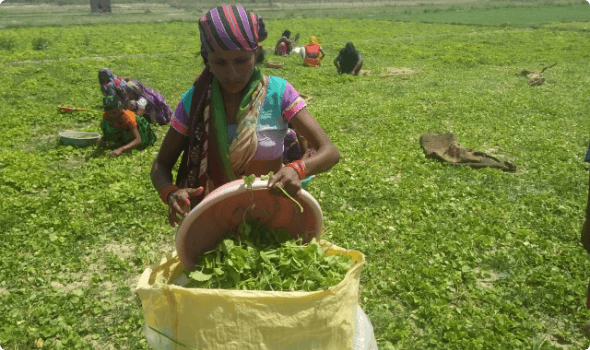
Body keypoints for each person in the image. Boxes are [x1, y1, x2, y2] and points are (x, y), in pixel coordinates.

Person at [150, 5, 340, 227]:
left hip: (273, 215)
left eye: (241, 60)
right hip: (215, 217)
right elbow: (161, 164)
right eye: (220, 62)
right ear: (206, 58)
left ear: (256, 53)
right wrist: (170, 192)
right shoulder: (195, 102)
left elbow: (330, 152)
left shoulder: (278, 94)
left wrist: (298, 168)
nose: (232, 74)